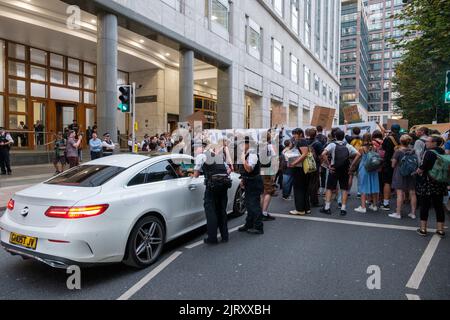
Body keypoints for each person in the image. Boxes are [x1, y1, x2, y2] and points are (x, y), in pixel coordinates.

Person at [194, 142, 232, 244]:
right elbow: (229, 170)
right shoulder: (218, 156)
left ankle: (212, 238)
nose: (195, 151)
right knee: (221, 211)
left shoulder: (201, 156)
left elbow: (196, 174)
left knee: (211, 212)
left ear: (201, 148)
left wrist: (192, 172)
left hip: (212, 187)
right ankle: (225, 236)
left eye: (196, 148)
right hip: (224, 185)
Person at [320, 129, 360, 216]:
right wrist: (352, 165)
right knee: (344, 189)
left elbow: (323, 154)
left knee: (330, 188)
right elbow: (358, 154)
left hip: (334, 169)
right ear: (343, 137)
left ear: (335, 136)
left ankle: (327, 207)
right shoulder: (348, 145)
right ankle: (343, 208)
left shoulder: (332, 145)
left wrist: (329, 165)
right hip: (345, 169)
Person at [416, 136, 447, 238]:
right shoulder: (443, 152)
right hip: (440, 182)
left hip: (428, 182)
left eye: (428, 141)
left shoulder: (429, 152)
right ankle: (440, 230)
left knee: (425, 205)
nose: (426, 143)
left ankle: (423, 229)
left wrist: (418, 171)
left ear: (434, 143)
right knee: (439, 206)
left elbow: (423, 167)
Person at [238, 137, 265, 235]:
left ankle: (258, 227)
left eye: (243, 144)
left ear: (249, 144)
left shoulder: (252, 154)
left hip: (254, 182)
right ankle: (249, 224)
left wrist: (243, 160)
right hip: (249, 181)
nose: (241, 146)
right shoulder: (247, 153)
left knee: (254, 205)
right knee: (248, 204)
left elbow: (249, 169)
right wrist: (243, 179)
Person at [350, 133, 380, 213]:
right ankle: (374, 205)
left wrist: (351, 167)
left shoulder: (362, 148)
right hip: (373, 169)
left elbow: (356, 160)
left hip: (364, 169)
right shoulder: (374, 148)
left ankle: (363, 207)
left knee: (363, 186)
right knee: (373, 186)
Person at [389, 134, 418, 220]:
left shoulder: (398, 151)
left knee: (400, 194)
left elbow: (393, 165)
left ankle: (398, 213)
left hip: (400, 173)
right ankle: (413, 213)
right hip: (411, 173)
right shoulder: (413, 151)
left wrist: (393, 160)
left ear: (401, 141)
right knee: (412, 193)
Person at [289, 128, 311, 216]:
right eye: (293, 134)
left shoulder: (301, 141)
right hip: (302, 168)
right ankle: (306, 208)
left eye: (295, 134)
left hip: (300, 168)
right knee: (304, 188)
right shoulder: (301, 141)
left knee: (298, 189)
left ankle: (300, 209)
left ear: (300, 134)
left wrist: (294, 163)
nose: (294, 136)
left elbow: (304, 154)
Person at [381, 124, 401, 211]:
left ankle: (386, 203)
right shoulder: (403, 137)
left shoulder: (388, 138)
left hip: (388, 162)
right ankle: (399, 206)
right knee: (399, 184)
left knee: (387, 182)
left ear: (391, 129)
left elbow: (383, 148)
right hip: (400, 163)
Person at [259, 130, 277, 221]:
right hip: (267, 170)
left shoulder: (257, 146)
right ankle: (264, 213)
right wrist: (274, 172)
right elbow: (274, 159)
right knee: (269, 191)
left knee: (262, 192)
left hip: (258, 170)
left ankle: (260, 212)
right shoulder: (270, 147)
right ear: (269, 138)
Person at [307, 128, 324, 207]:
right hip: (315, 164)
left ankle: (307, 198)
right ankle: (314, 201)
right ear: (316, 134)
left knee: (307, 182)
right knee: (314, 183)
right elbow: (322, 155)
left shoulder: (305, 142)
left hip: (306, 164)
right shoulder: (318, 143)